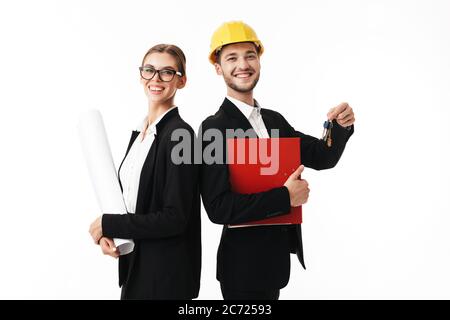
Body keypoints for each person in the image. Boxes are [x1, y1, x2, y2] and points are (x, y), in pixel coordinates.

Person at [200, 21, 355, 300]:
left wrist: (340, 126)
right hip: (242, 270)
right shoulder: (214, 128)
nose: (242, 65)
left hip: (274, 264)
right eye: (231, 58)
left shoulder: (273, 120)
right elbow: (218, 208)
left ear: (259, 60)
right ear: (218, 68)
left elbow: (322, 156)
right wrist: (286, 197)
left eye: (249, 55)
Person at [89, 44, 201, 300]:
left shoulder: (181, 136)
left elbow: (176, 217)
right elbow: (134, 203)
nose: (156, 79)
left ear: (181, 81)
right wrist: (113, 233)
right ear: (141, 76)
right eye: (149, 70)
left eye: (167, 72)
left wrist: (111, 222)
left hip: (165, 278)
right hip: (136, 269)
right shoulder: (140, 136)